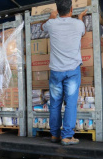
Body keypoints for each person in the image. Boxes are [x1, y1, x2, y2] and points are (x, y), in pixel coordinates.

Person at [41, 0, 87, 145]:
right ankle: (67, 136)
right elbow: (83, 32)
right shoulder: (78, 24)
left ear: (57, 10)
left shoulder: (52, 24)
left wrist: (51, 16)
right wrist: (80, 18)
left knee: (55, 103)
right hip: (72, 70)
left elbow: (42, 27)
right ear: (71, 9)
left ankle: (55, 135)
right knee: (70, 103)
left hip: (56, 71)